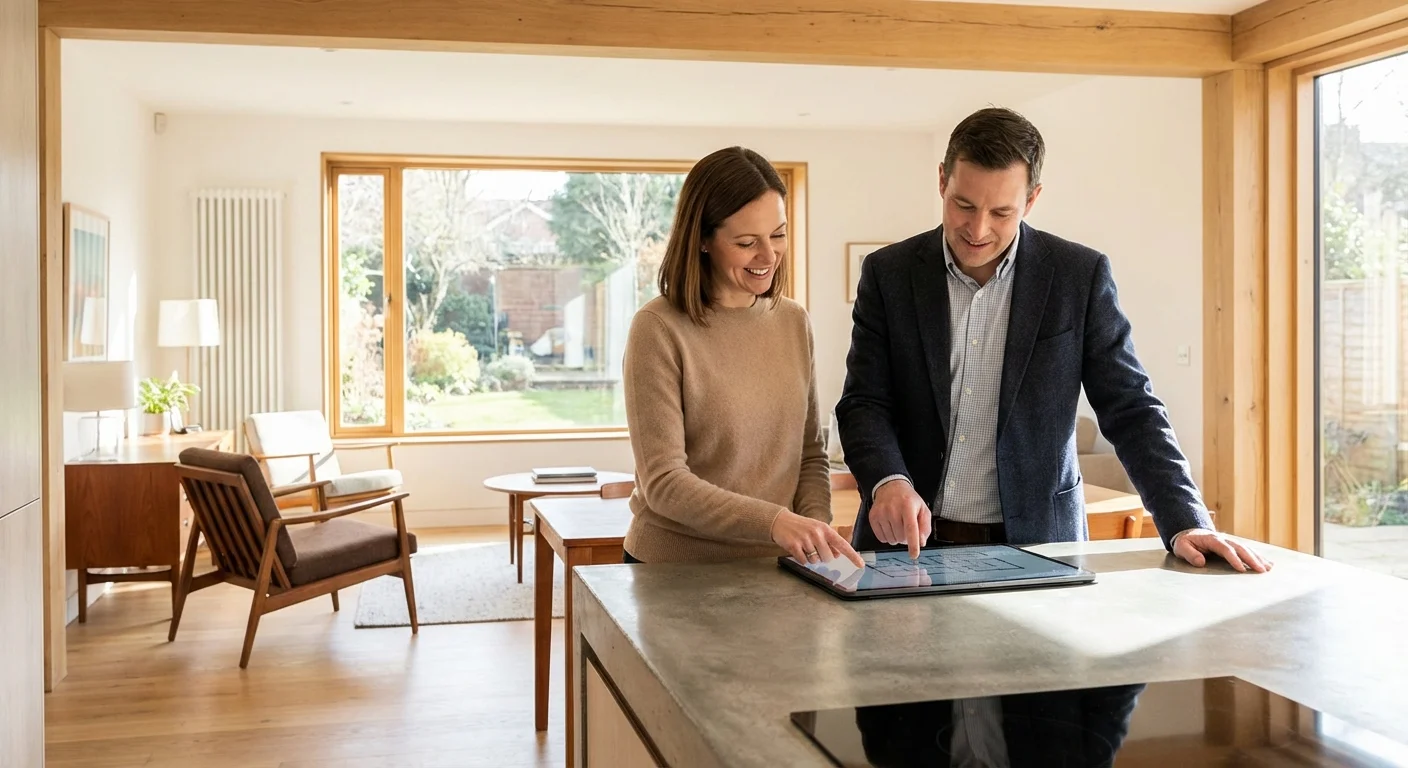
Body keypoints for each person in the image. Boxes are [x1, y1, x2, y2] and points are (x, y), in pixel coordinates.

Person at [836, 107, 1270, 573]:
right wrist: (888, 480)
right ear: (942, 180)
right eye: (964, 205)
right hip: (905, 551)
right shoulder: (889, 274)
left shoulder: (1077, 277)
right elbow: (864, 402)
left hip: (1041, 550)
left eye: (1001, 212)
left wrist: (1187, 520)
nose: (978, 229)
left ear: (1032, 199)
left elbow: (1131, 408)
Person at [621, 146, 863, 568]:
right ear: (702, 240)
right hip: (675, 569)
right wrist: (776, 523)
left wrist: (814, 532)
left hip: (781, 566)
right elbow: (664, 483)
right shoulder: (657, 328)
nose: (768, 256)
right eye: (747, 242)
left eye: (778, 235)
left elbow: (809, 453)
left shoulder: (793, 321)